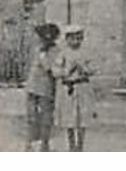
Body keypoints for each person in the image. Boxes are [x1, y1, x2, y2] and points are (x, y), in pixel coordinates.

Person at [55, 25, 96, 152]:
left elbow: (93, 69)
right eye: (72, 39)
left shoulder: (85, 53)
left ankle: (80, 145)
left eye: (78, 39)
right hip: (69, 88)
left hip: (82, 87)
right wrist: (67, 71)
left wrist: (84, 68)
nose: (75, 42)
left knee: (82, 117)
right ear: (67, 39)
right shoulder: (62, 53)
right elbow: (56, 71)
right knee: (69, 118)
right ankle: (71, 144)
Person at [24, 22, 61, 151]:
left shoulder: (55, 51)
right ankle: (29, 142)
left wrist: (43, 55)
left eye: (46, 38)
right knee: (31, 115)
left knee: (46, 115)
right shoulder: (37, 48)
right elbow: (32, 66)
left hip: (46, 86)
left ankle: (44, 143)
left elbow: (49, 68)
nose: (43, 40)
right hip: (32, 85)